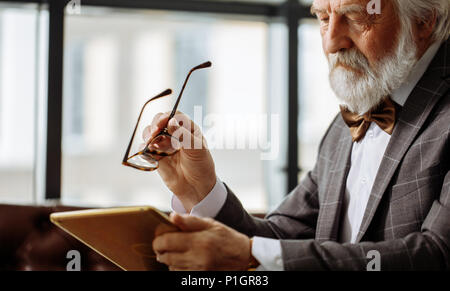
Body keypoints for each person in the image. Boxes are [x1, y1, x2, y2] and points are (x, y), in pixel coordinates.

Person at [150, 0, 450, 270]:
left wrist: (252, 255)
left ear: (424, 21)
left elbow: (436, 255)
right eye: (322, 18)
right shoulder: (344, 125)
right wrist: (200, 190)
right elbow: (281, 237)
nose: (331, 42)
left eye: (356, 17)